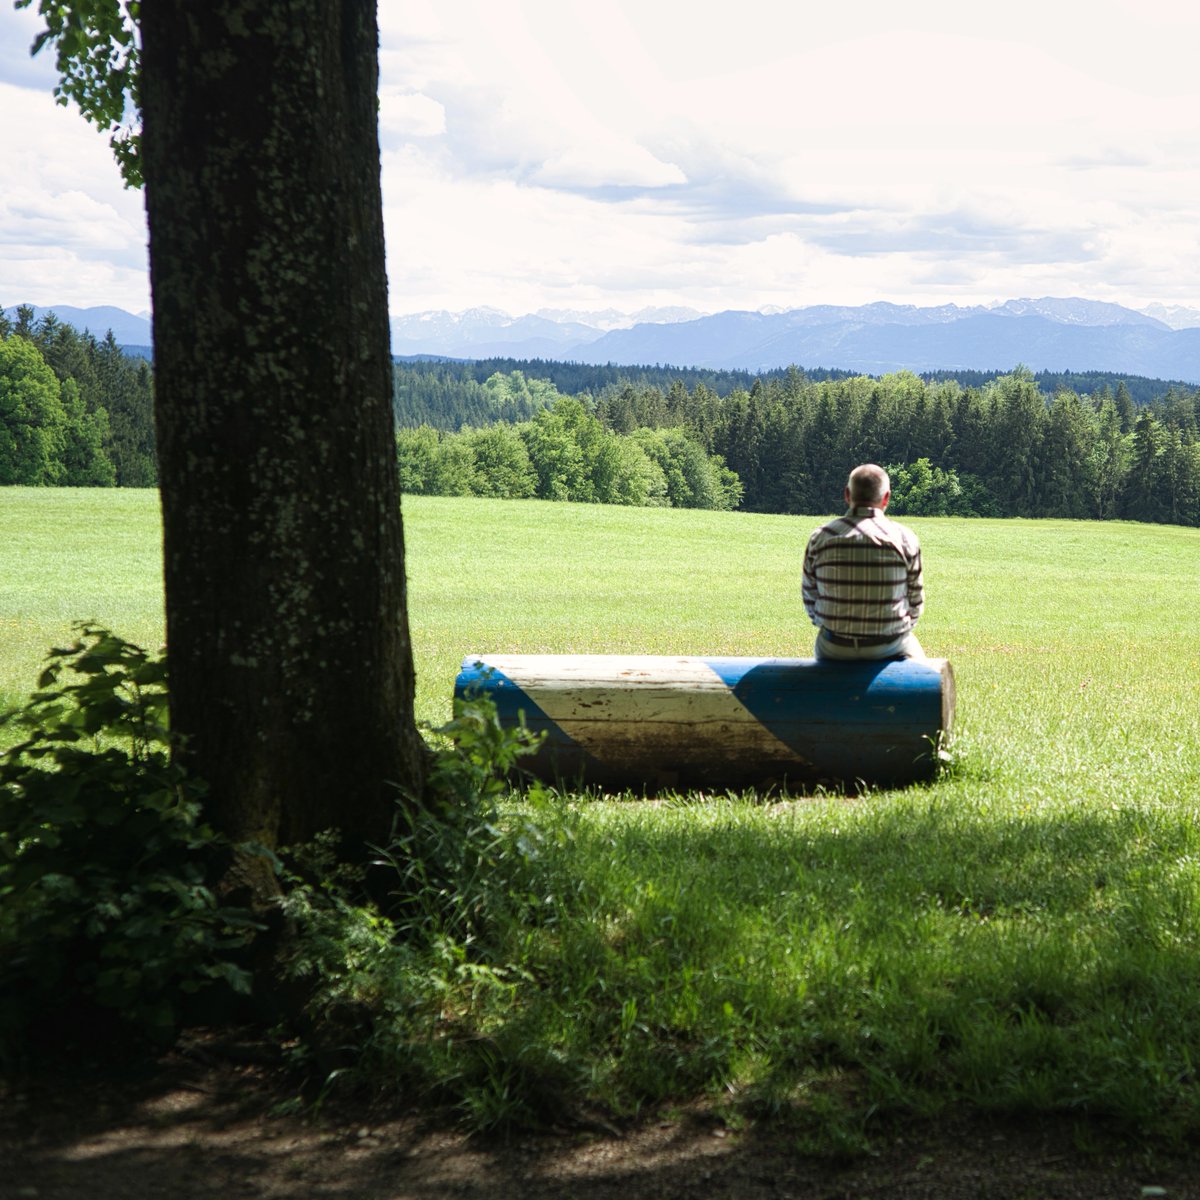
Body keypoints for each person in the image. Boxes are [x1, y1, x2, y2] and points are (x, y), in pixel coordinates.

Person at [801, 463, 925, 661]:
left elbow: (810, 596)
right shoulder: (904, 538)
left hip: (834, 647)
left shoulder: (821, 537)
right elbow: (915, 600)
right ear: (886, 498)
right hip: (890, 645)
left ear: (847, 494)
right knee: (923, 674)